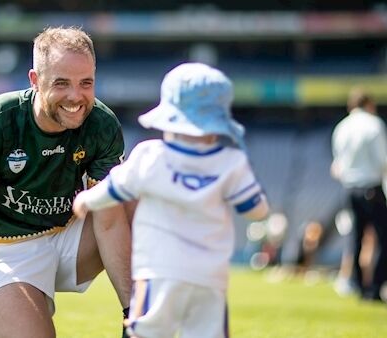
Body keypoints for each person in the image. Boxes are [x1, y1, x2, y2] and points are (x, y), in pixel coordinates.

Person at [0, 26, 132, 338]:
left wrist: (133, 314)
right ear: (34, 80)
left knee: (136, 196)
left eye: (86, 83)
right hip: (3, 250)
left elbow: (109, 221)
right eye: (61, 83)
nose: (76, 96)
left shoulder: (102, 124)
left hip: (69, 240)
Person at [73, 63, 270, 338]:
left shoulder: (150, 155)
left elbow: (113, 189)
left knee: (148, 331)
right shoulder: (231, 162)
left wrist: (86, 200)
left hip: (159, 270)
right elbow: (256, 210)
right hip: (210, 275)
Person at [331, 86, 387, 301]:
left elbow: (338, 163)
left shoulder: (341, 127)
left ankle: (355, 283)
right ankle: (375, 286)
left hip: (349, 188)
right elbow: (383, 160)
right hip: (370, 187)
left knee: (356, 238)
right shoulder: (374, 125)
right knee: (383, 238)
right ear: (369, 103)